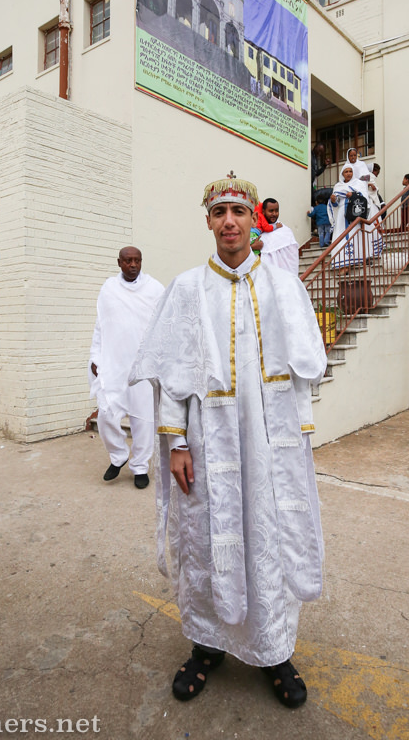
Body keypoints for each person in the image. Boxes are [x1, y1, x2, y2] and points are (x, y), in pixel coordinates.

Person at [130, 177, 326, 708]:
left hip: (269, 447)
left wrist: (298, 433)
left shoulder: (285, 287)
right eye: (219, 212)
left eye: (238, 210)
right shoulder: (189, 288)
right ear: (209, 221)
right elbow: (171, 376)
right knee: (205, 541)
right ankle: (205, 645)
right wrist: (174, 443)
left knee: (270, 535)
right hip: (207, 443)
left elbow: (307, 373)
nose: (230, 221)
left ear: (253, 220)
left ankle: (275, 650)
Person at [88, 246, 164, 489]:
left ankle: (140, 466)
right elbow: (101, 326)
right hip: (113, 363)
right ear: (119, 263)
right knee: (106, 414)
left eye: (137, 261)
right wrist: (95, 357)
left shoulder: (154, 288)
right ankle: (118, 456)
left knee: (143, 419)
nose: (133, 265)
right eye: (128, 261)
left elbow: (165, 323)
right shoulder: (109, 289)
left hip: (143, 365)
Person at [327, 166, 371, 267]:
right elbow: (335, 205)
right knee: (341, 237)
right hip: (342, 215)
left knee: (355, 235)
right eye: (346, 172)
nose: (348, 173)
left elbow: (364, 198)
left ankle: (359, 259)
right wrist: (333, 200)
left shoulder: (358, 183)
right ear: (342, 174)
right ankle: (344, 263)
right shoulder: (338, 186)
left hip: (355, 212)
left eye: (350, 171)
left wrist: (353, 195)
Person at [255, 198, 300, 275]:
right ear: (263, 211)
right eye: (271, 211)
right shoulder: (257, 231)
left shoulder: (285, 231)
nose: (274, 214)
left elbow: (293, 259)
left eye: (276, 211)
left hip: (286, 278)